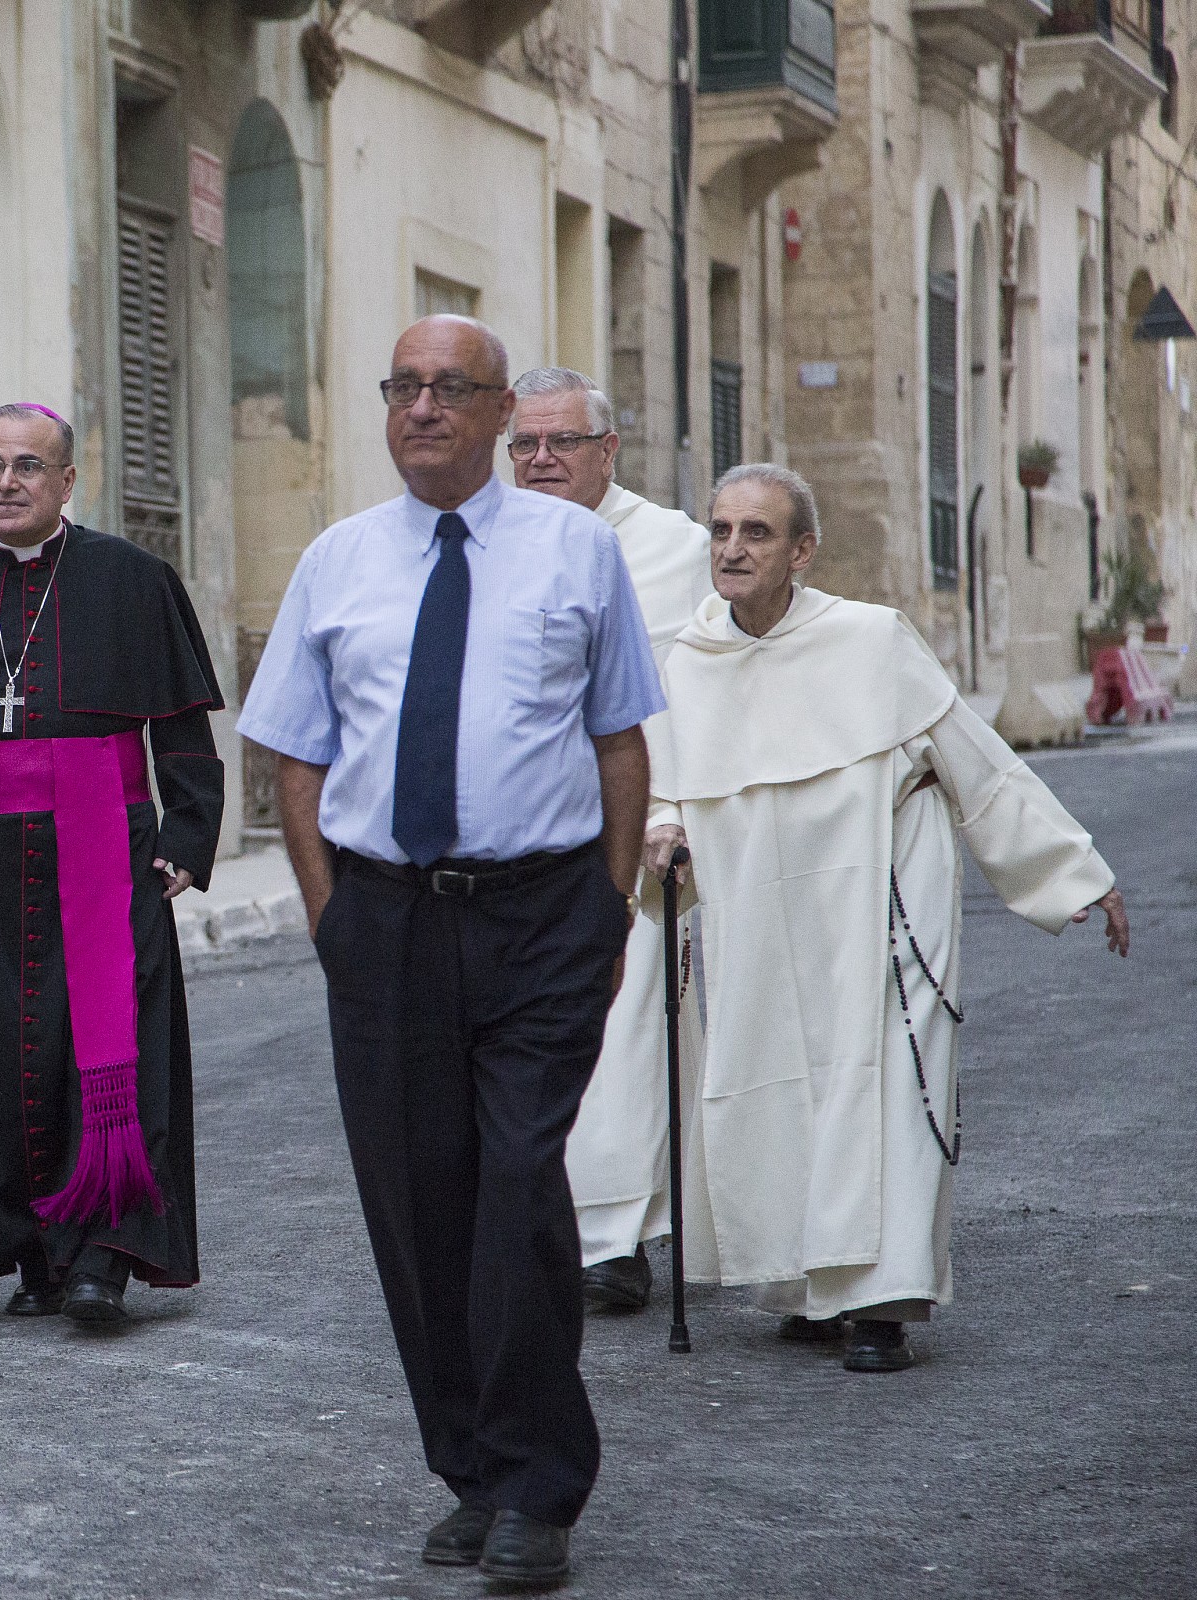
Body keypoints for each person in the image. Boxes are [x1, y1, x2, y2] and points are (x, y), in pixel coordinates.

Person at [240, 317, 663, 1585]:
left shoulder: (579, 554)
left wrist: (606, 907)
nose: (422, 408)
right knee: (418, 1206)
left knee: (520, 1184)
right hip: (385, 920)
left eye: (449, 389)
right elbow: (295, 758)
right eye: (404, 387)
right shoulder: (336, 562)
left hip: (540, 919)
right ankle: (472, 1469)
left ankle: (540, 1484)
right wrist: (331, 919)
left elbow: (621, 742)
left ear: (495, 412)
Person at [645, 463, 1130, 1373]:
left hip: (883, 888)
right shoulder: (686, 660)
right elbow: (662, 785)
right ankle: (806, 1282)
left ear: (803, 550)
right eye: (720, 531)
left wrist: (1073, 874)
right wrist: (663, 831)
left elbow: (975, 760)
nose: (733, 548)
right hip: (753, 902)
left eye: (757, 532)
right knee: (769, 1076)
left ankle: (880, 1302)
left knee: (885, 1085)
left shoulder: (870, 640)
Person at [0, 403, 224, 1326]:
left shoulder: (133, 582)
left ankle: (103, 1255)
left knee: (113, 1048)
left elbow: (181, 728)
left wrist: (189, 833)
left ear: (67, 481)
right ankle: (34, 1251)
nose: (6, 483)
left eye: (27, 466)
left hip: (107, 838)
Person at [509, 366, 715, 1314]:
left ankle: (616, 1237)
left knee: (626, 1032)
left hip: (633, 829)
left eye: (562, 444)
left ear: (609, 451)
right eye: (526, 444)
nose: (541, 460)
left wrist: (670, 812)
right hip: (514, 830)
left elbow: (697, 697)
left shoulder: (675, 550)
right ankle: (534, 1217)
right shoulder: (488, 539)